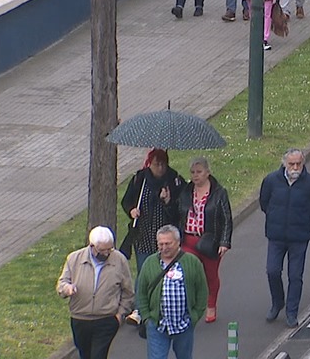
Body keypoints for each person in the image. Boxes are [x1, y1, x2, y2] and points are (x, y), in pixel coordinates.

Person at [259, 148, 310, 326]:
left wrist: (304, 219)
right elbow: (264, 202)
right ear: (284, 164)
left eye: (298, 164)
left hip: (299, 236)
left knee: (295, 276)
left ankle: (291, 311)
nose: (295, 167)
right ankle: (277, 302)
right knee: (272, 270)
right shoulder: (271, 181)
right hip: (276, 235)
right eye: (291, 164)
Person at [58, 226, 134, 359]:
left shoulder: (119, 260)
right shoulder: (74, 259)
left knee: (99, 355)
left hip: (106, 319)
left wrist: (120, 314)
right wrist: (67, 288)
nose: (106, 253)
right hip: (80, 318)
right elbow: (61, 284)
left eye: (109, 249)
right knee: (85, 354)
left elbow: (128, 291)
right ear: (92, 246)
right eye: (102, 250)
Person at [174, 157, 231, 324]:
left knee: (210, 275)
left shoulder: (219, 193)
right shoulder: (185, 191)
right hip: (188, 239)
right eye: (192, 172)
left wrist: (224, 242)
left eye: (199, 172)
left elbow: (226, 218)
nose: (195, 176)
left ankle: (211, 305)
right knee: (187, 273)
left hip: (209, 241)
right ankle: (189, 305)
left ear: (208, 172)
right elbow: (177, 213)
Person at [137, 226, 207, 359]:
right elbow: (141, 293)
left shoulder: (192, 262)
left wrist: (195, 316)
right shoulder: (149, 263)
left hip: (184, 325)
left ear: (178, 242)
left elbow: (202, 291)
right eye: (161, 244)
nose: (164, 247)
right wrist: (147, 317)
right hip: (158, 325)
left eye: (168, 243)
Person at [121, 149, 185, 279]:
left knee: (165, 274)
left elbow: (180, 210)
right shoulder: (140, 179)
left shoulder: (173, 179)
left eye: (163, 164)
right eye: (157, 164)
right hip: (143, 236)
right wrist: (131, 210)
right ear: (150, 164)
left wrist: (168, 202)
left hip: (165, 238)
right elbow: (126, 201)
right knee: (144, 274)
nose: (160, 168)